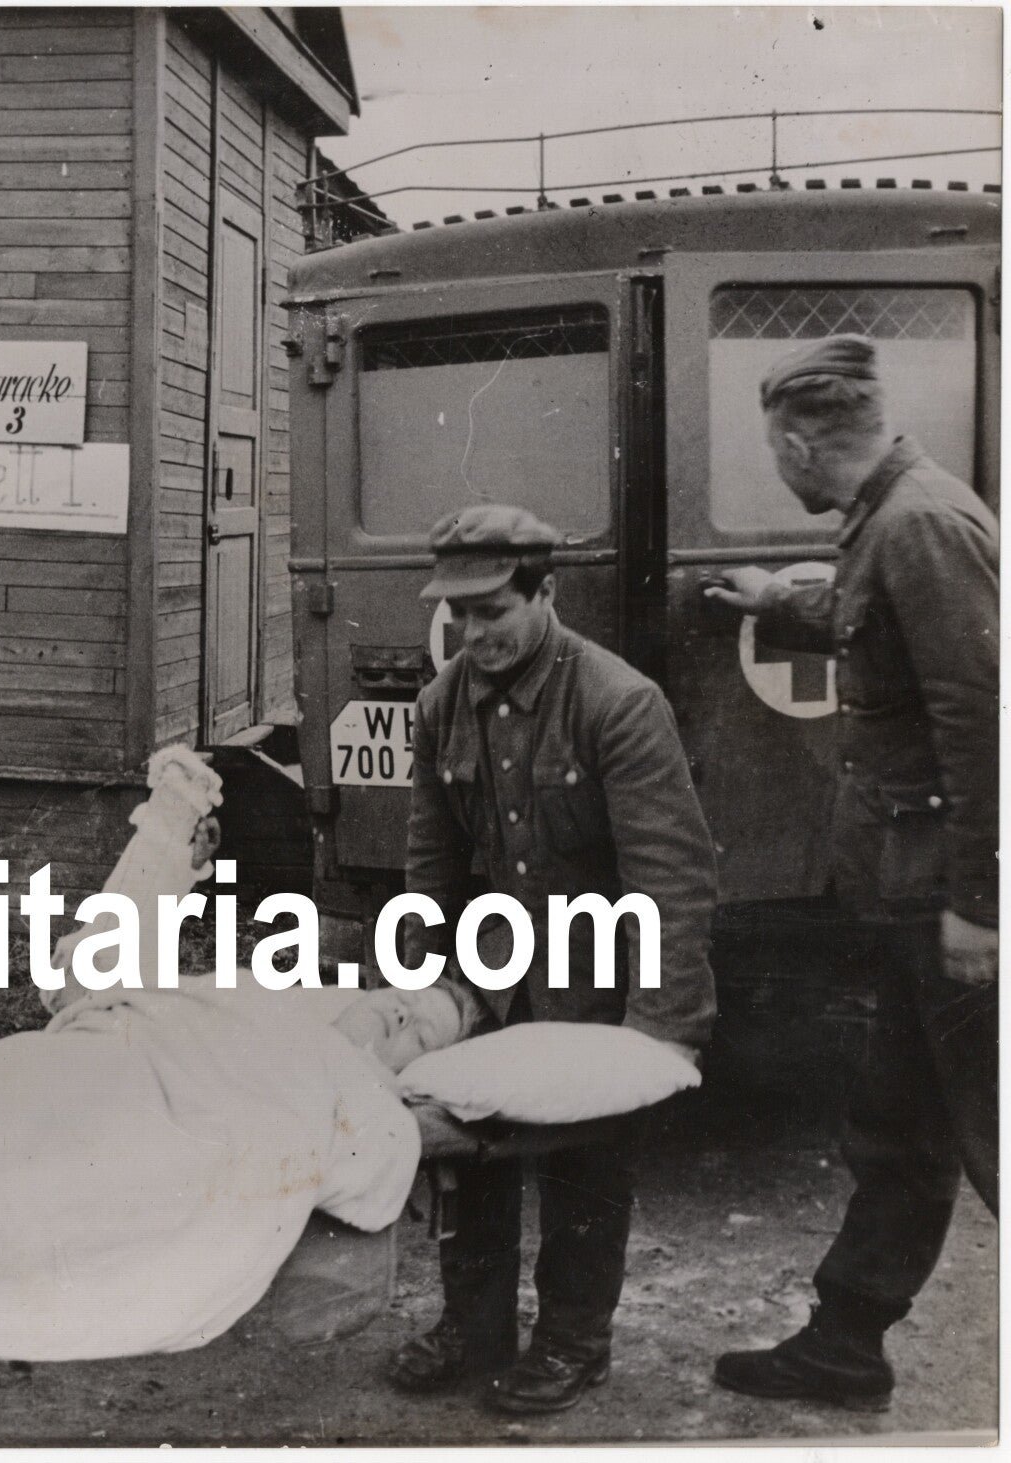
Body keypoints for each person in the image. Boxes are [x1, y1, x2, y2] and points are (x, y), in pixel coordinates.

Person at [705, 334, 998, 1413]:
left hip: (942, 898)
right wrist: (773, 601)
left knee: (986, 1128)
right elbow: (874, 627)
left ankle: (845, 1338)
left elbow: (983, 720)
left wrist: (980, 904)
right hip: (905, 887)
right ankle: (844, 1343)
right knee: (901, 1124)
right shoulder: (890, 515)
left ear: (795, 445)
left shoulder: (919, 523)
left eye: (770, 452)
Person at [387, 503, 719, 1414]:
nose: (473, 633)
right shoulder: (440, 704)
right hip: (494, 977)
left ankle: (573, 1340)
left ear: (546, 593)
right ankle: (473, 1326)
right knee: (467, 1154)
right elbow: (430, 864)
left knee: (587, 1169)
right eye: (459, 613)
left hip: (595, 980)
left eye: (493, 611)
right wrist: (420, 993)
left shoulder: (617, 701)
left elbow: (670, 875)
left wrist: (660, 1029)